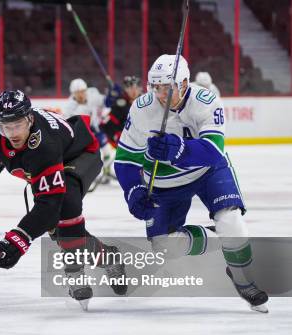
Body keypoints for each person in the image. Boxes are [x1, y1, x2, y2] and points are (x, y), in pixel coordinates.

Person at [114, 54, 268, 312]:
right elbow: (126, 158)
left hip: (207, 171)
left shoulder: (207, 102)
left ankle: (242, 278)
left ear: (184, 84)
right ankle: (215, 235)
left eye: (168, 87)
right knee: (165, 247)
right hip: (164, 182)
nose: (161, 94)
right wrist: (133, 189)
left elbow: (213, 149)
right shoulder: (141, 108)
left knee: (232, 222)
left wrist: (179, 149)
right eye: (156, 87)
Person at [0, 90, 127, 311]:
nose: (13, 133)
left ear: (30, 119)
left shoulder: (44, 145)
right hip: (53, 158)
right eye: (7, 127)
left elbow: (49, 206)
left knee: (66, 208)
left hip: (80, 154)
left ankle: (74, 270)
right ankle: (109, 257)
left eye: (18, 125)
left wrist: (17, 241)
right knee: (57, 230)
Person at [95, 76, 143, 185]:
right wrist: (118, 135)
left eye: (136, 87)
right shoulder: (120, 104)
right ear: (125, 89)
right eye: (130, 88)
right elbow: (106, 124)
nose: (134, 91)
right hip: (122, 139)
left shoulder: (145, 102)